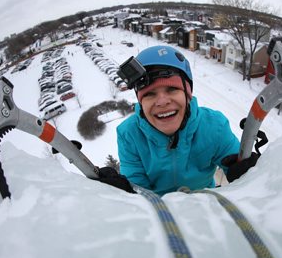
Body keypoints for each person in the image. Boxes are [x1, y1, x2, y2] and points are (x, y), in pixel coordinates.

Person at [97, 45, 259, 195]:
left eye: (172, 89)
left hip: (205, 202)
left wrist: (247, 169)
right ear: (140, 101)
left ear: (188, 94)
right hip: (159, 210)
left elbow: (235, 161)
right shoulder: (129, 134)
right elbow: (139, 188)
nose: (162, 101)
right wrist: (127, 191)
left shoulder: (213, 125)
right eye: (149, 94)